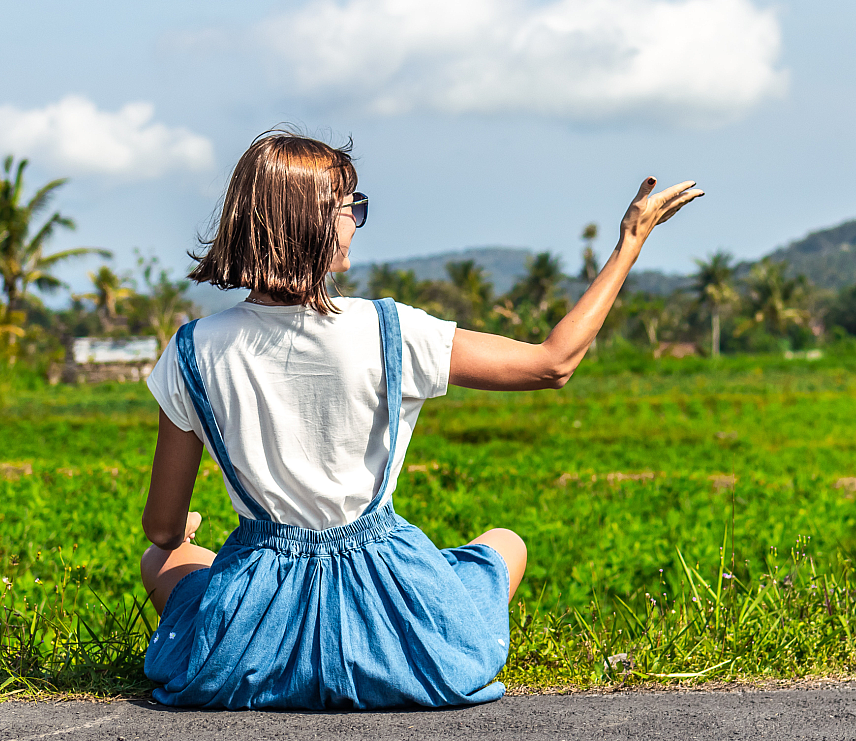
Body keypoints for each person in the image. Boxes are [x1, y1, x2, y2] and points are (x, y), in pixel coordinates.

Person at [139, 130, 702, 710]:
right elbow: (552, 363)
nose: (355, 222)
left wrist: (182, 537)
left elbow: (161, 528)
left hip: (251, 648)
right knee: (505, 543)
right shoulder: (392, 331)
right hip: (391, 623)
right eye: (348, 207)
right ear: (310, 222)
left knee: (165, 559)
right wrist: (629, 244)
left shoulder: (192, 350)